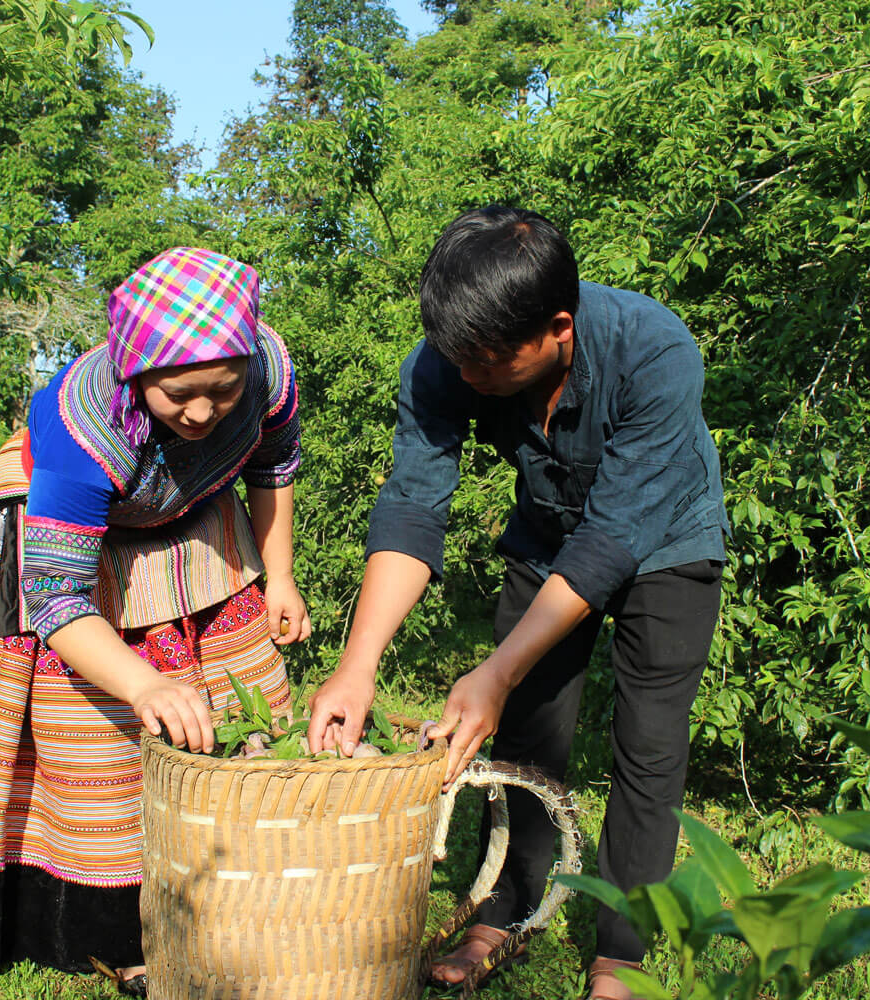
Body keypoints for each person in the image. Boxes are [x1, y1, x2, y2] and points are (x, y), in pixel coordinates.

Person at [307, 207, 727, 1000]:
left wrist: (493, 671)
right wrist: (356, 668)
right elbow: (413, 507)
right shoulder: (444, 363)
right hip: (546, 538)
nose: (468, 379)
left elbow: (614, 537)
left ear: (559, 327)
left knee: (649, 745)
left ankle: (620, 958)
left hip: (669, 540)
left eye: (490, 363)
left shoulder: (655, 352)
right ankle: (506, 909)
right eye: (455, 359)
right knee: (529, 736)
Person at [0, 247, 309, 993]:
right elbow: (57, 598)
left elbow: (274, 466)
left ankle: (236, 896)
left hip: (191, 521)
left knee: (243, 703)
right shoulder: (81, 429)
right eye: (179, 397)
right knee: (95, 751)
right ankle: (116, 937)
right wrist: (143, 685)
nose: (203, 412)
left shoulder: (265, 372)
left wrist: (283, 576)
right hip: (69, 562)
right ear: (137, 373)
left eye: (222, 392)